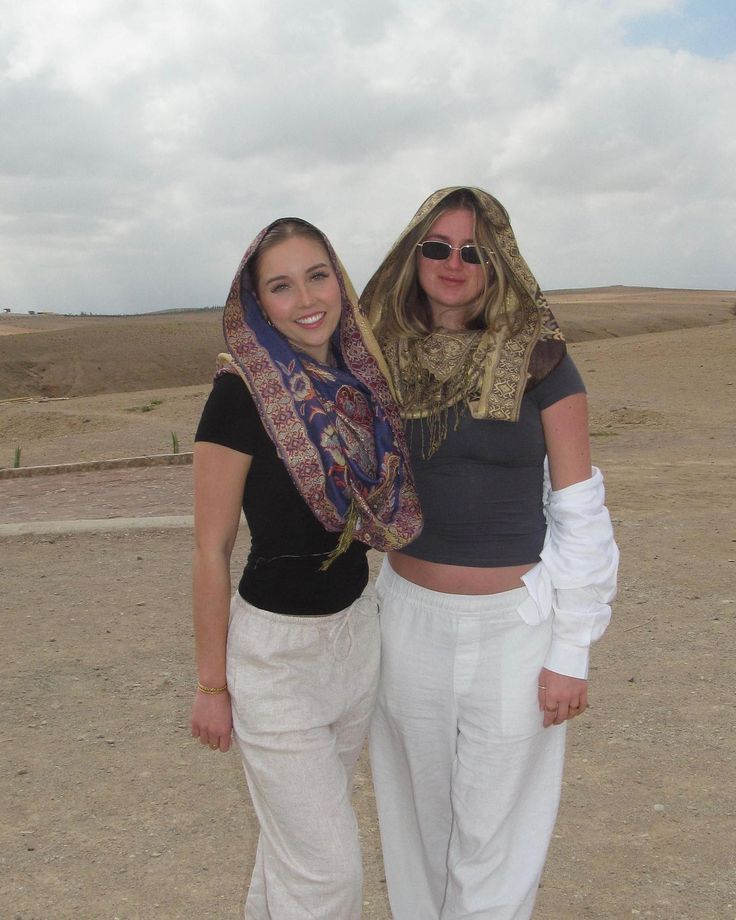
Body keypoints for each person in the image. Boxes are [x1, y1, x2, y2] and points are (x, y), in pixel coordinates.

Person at [360, 187, 619, 920]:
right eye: (437, 247)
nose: (454, 263)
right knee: (417, 826)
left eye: (473, 250)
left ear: (497, 261)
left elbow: (579, 507)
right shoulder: (381, 362)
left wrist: (572, 649)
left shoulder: (543, 362)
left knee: (495, 837)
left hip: (518, 628)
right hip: (406, 622)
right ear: (414, 257)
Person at [190, 217, 422, 919]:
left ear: (339, 280)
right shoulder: (240, 395)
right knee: (326, 875)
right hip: (276, 661)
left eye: (317, 276)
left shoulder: (360, 380)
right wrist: (211, 684)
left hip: (357, 641)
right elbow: (210, 550)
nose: (307, 299)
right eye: (281, 287)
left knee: (290, 855)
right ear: (258, 304)